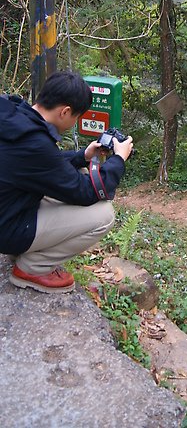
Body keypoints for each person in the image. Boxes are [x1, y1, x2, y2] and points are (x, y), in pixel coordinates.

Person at [0, 70, 133, 294]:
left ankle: (25, 248)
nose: (75, 122)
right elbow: (86, 192)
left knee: (76, 172)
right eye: (77, 117)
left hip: (7, 209)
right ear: (65, 112)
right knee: (103, 215)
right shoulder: (35, 143)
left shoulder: (14, 116)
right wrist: (119, 159)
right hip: (7, 228)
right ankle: (33, 268)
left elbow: (37, 165)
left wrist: (82, 156)